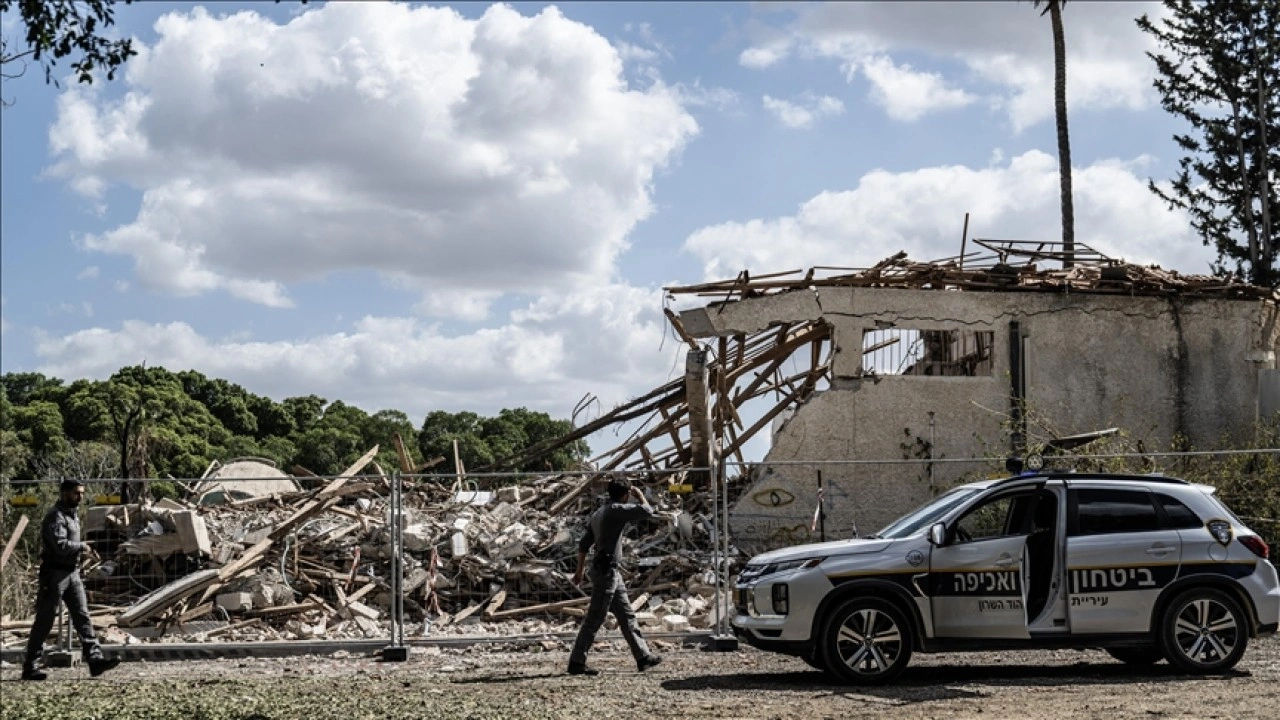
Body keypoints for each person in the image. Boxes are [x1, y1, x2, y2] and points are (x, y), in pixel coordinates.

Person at [22, 479, 120, 681]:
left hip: (72, 573)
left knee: (82, 616)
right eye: (77, 493)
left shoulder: (72, 516)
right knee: (45, 620)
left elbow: (69, 544)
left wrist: (83, 550)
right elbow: (59, 545)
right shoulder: (55, 516)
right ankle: (30, 665)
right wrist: (82, 547)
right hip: (55, 574)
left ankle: (95, 659)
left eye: (82, 493)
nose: (80, 497)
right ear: (65, 493)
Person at [567, 474, 663, 676]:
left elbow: (583, 545)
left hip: (610, 571)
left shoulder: (599, 513)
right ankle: (576, 661)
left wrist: (579, 571)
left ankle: (643, 657)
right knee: (595, 617)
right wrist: (640, 495)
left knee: (626, 615)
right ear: (626, 494)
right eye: (629, 493)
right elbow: (647, 511)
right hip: (607, 572)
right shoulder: (615, 510)